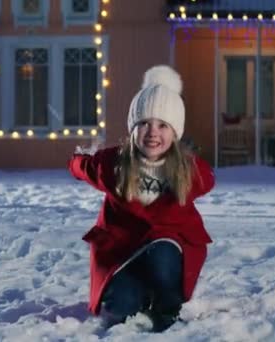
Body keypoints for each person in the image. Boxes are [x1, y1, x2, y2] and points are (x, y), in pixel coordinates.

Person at [68, 65, 215, 332]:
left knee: (161, 252)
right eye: (144, 123)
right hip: (124, 254)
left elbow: (207, 178)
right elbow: (83, 166)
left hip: (168, 253)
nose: (152, 132)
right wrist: (77, 160)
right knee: (121, 306)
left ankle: (167, 307)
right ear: (132, 128)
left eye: (162, 125)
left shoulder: (186, 171)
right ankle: (137, 296)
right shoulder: (114, 164)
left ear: (175, 132)